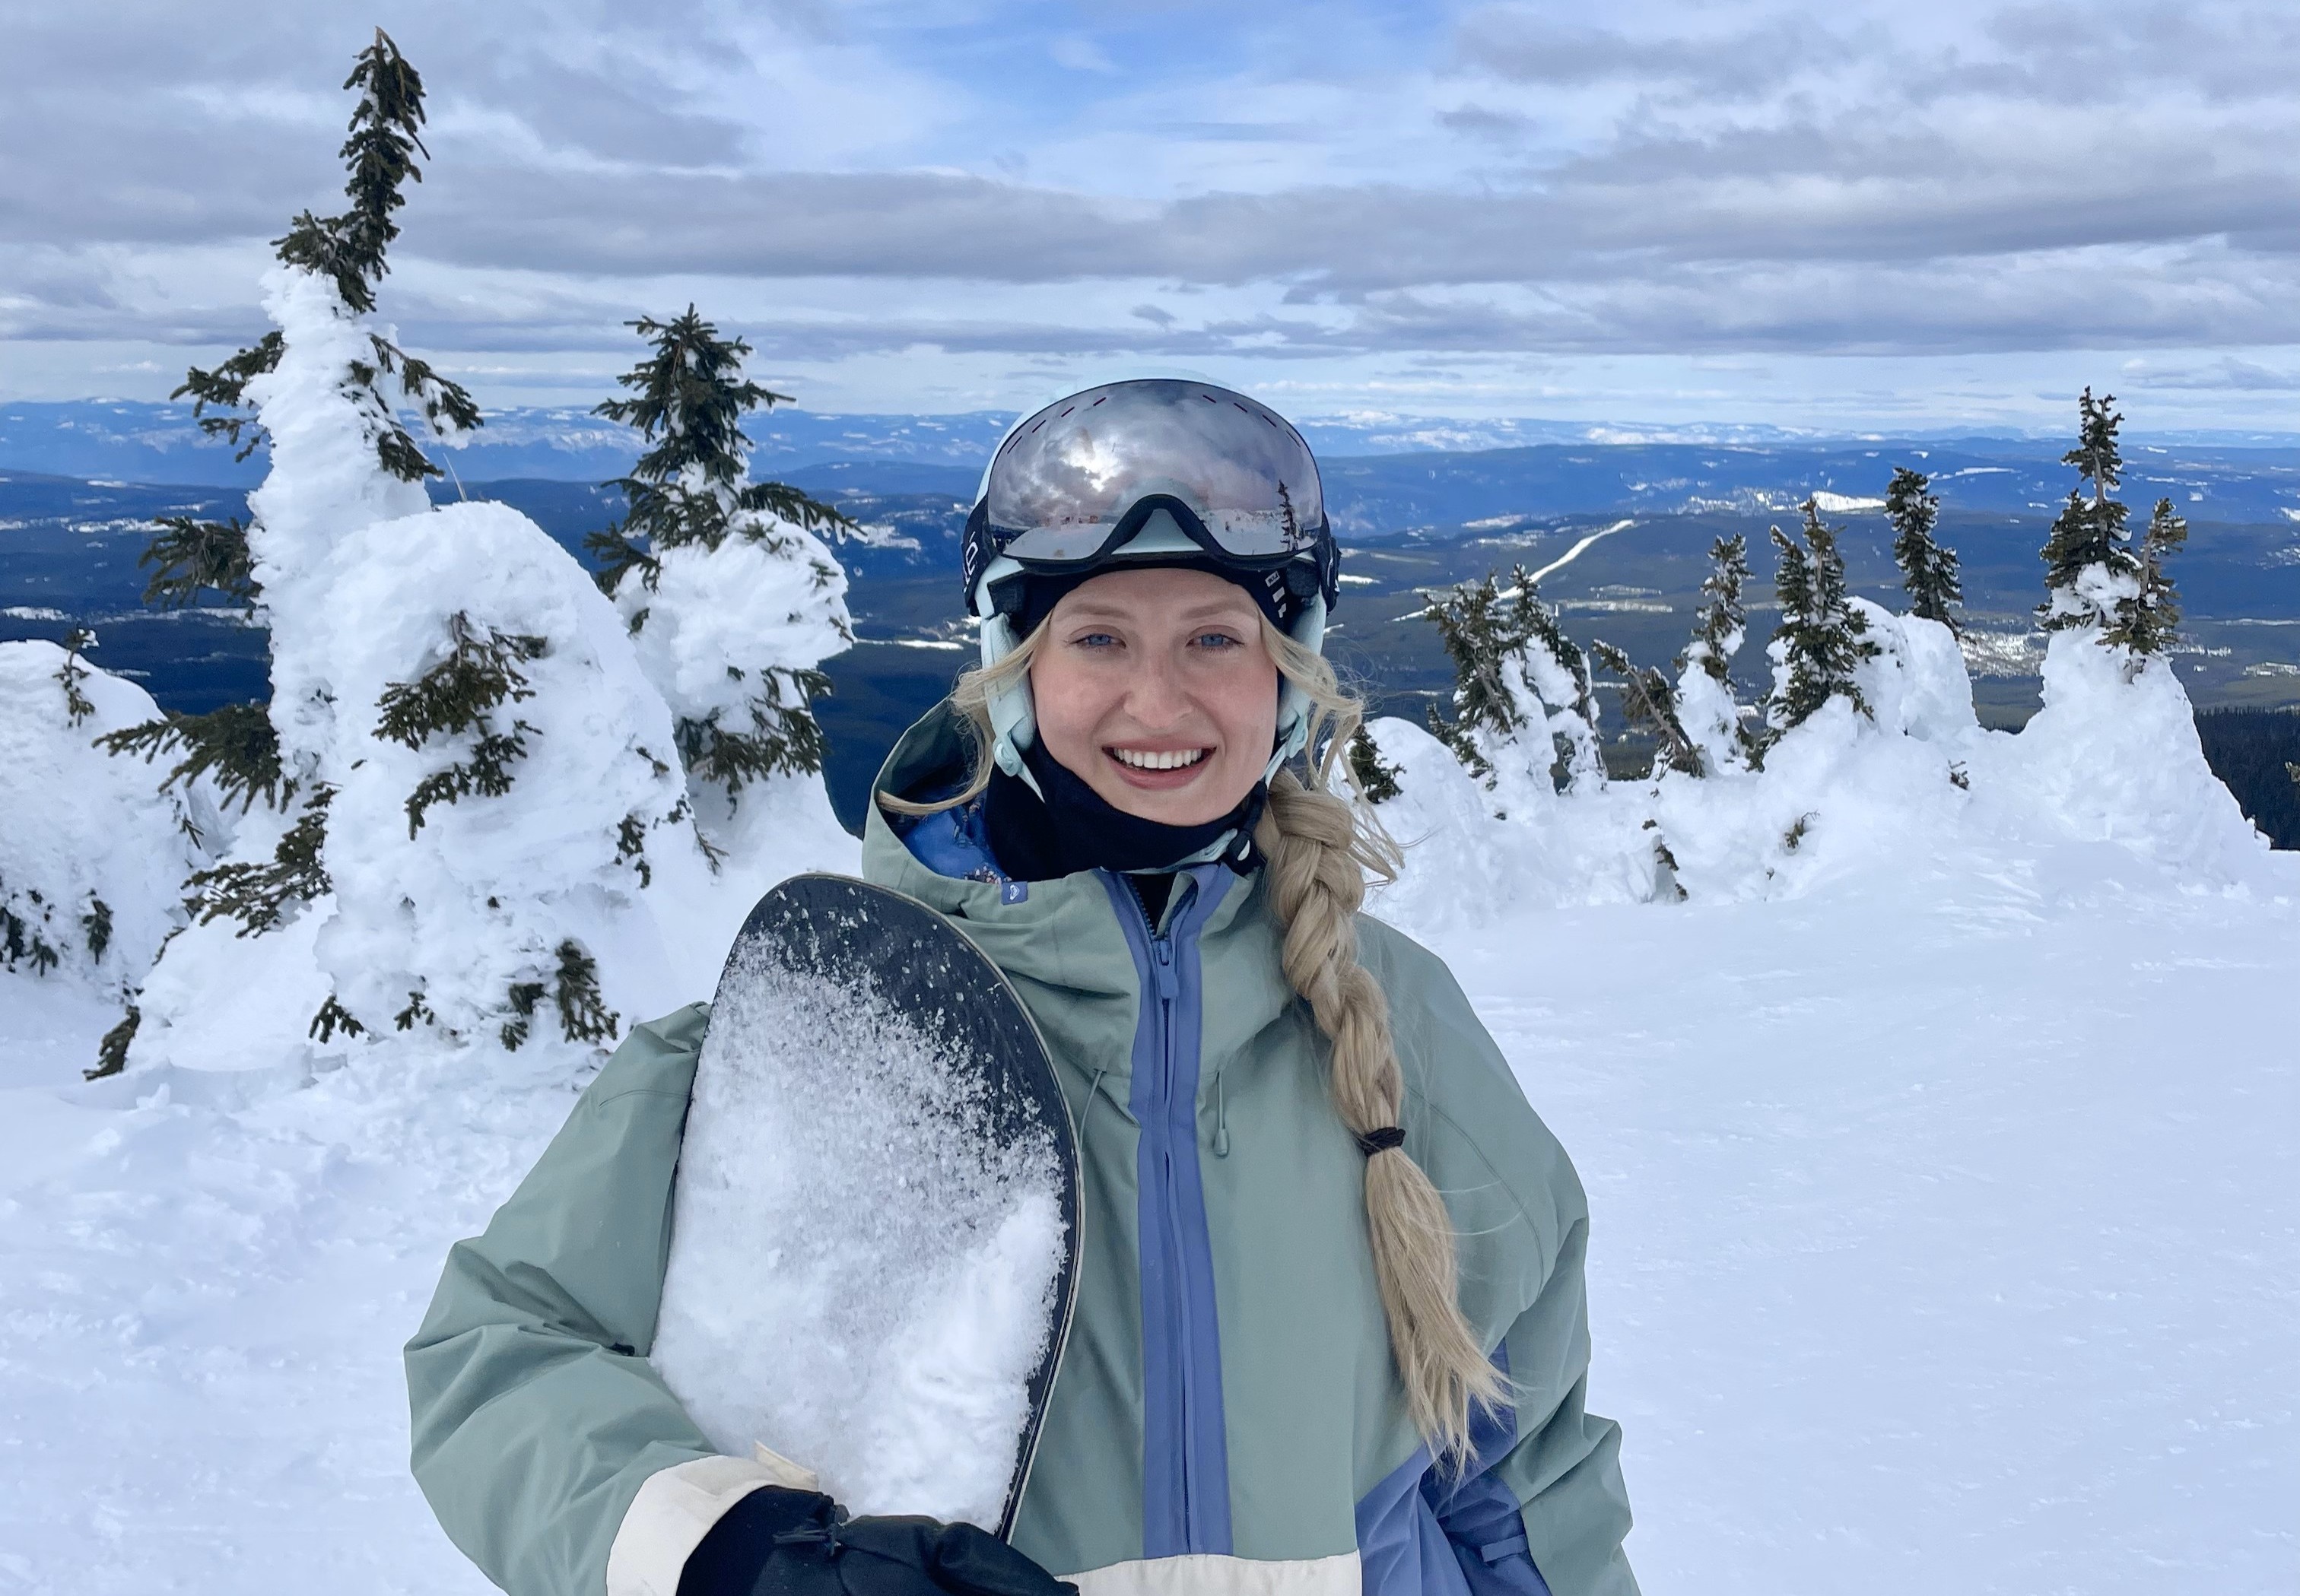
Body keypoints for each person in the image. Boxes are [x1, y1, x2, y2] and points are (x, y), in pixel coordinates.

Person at [405, 379, 1638, 1596]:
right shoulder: (834, 1020)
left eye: (1217, 638)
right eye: (1098, 639)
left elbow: (1520, 1479)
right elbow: (497, 1358)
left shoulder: (1402, 1026)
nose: (1160, 701)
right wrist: (737, 1551)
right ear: (1015, 673)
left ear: (1288, 676)